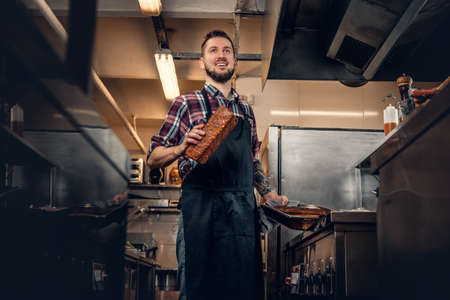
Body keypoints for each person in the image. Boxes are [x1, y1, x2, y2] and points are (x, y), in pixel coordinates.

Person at [147, 30, 288, 300]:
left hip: (240, 214)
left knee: (241, 289)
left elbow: (253, 160)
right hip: (201, 211)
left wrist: (269, 193)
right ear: (202, 61)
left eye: (226, 51)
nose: (220, 56)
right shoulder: (186, 103)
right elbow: (154, 158)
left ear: (235, 61)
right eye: (213, 50)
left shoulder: (246, 111)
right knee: (199, 287)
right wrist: (181, 147)